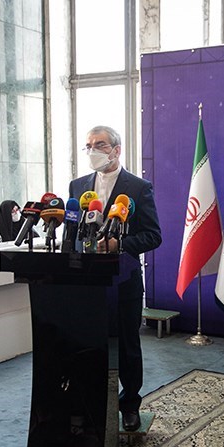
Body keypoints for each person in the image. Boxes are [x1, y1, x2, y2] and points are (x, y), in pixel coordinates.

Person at [69, 125, 162, 431]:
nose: (93, 151)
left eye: (100, 145)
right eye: (88, 146)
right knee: (89, 346)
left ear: (117, 150)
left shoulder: (138, 187)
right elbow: (73, 230)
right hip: (87, 283)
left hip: (124, 281)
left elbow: (153, 235)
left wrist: (118, 244)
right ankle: (91, 405)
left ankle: (130, 404)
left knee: (127, 346)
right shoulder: (78, 187)